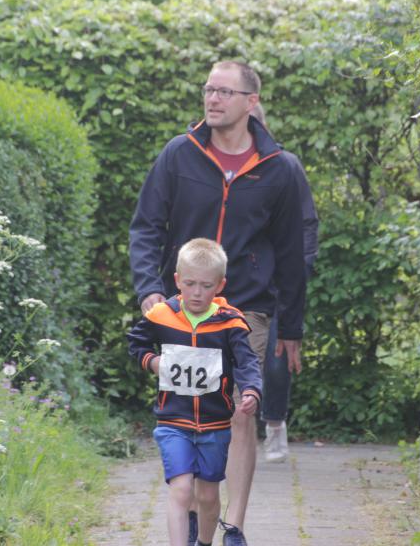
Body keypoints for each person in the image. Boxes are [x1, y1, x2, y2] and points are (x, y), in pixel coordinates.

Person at [129, 60, 307, 546]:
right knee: (193, 405)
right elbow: (146, 227)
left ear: (251, 102)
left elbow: (292, 251)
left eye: (225, 92)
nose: (213, 99)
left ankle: (234, 525)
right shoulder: (179, 154)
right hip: (183, 306)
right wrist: (150, 290)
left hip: (246, 306)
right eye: (209, 89)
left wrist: (291, 326)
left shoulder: (279, 168)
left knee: (242, 409)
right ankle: (194, 508)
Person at [128, 238, 262, 546]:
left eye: (205, 285)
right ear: (177, 280)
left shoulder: (230, 322)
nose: (197, 293)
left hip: (215, 424)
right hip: (172, 421)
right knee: (181, 489)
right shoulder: (161, 315)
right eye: (189, 284)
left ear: (220, 285)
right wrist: (152, 361)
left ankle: (204, 541)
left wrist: (251, 391)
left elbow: (247, 362)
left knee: (207, 496)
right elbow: (136, 343)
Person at [248, 103, 319, 464]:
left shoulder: (286, 166)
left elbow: (306, 222)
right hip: (238, 281)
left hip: (278, 282)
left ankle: (274, 423)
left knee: (276, 359)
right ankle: (231, 434)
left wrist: (300, 267)